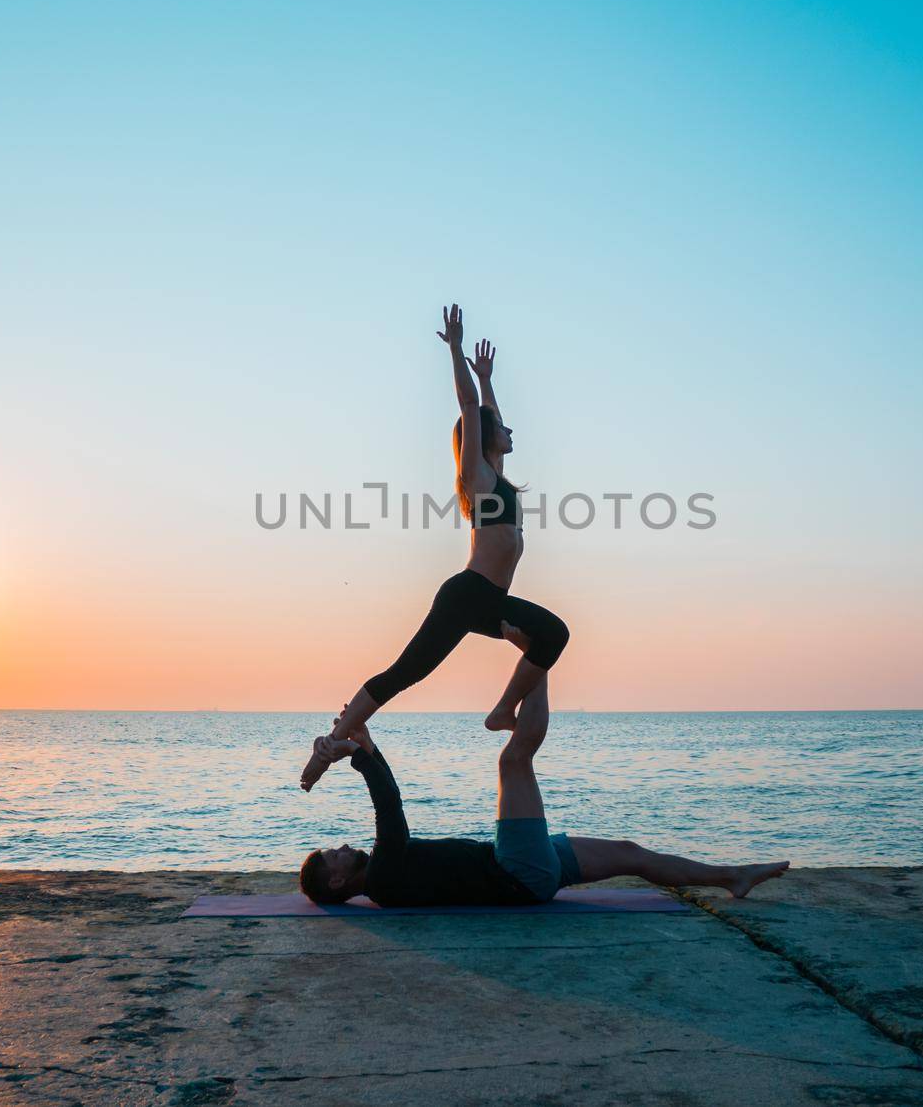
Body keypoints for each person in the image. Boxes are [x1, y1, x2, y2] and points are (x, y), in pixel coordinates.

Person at [299, 629, 789, 906]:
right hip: (515, 870)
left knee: (630, 852)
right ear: (338, 882)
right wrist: (359, 756)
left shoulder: (386, 877)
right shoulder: (383, 880)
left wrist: (364, 742)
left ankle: (731, 877)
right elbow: (390, 807)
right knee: (514, 760)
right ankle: (539, 655)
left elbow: (389, 802)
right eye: (334, 855)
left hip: (523, 868)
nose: (343, 847)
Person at [300, 303, 570, 792]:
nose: (512, 431)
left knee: (550, 637)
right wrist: (456, 350)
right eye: (503, 429)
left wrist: (488, 379)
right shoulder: (480, 477)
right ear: (485, 440)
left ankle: (502, 710)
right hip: (469, 595)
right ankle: (331, 744)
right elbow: (472, 412)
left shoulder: (498, 478)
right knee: (403, 674)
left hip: (486, 601)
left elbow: (487, 415)